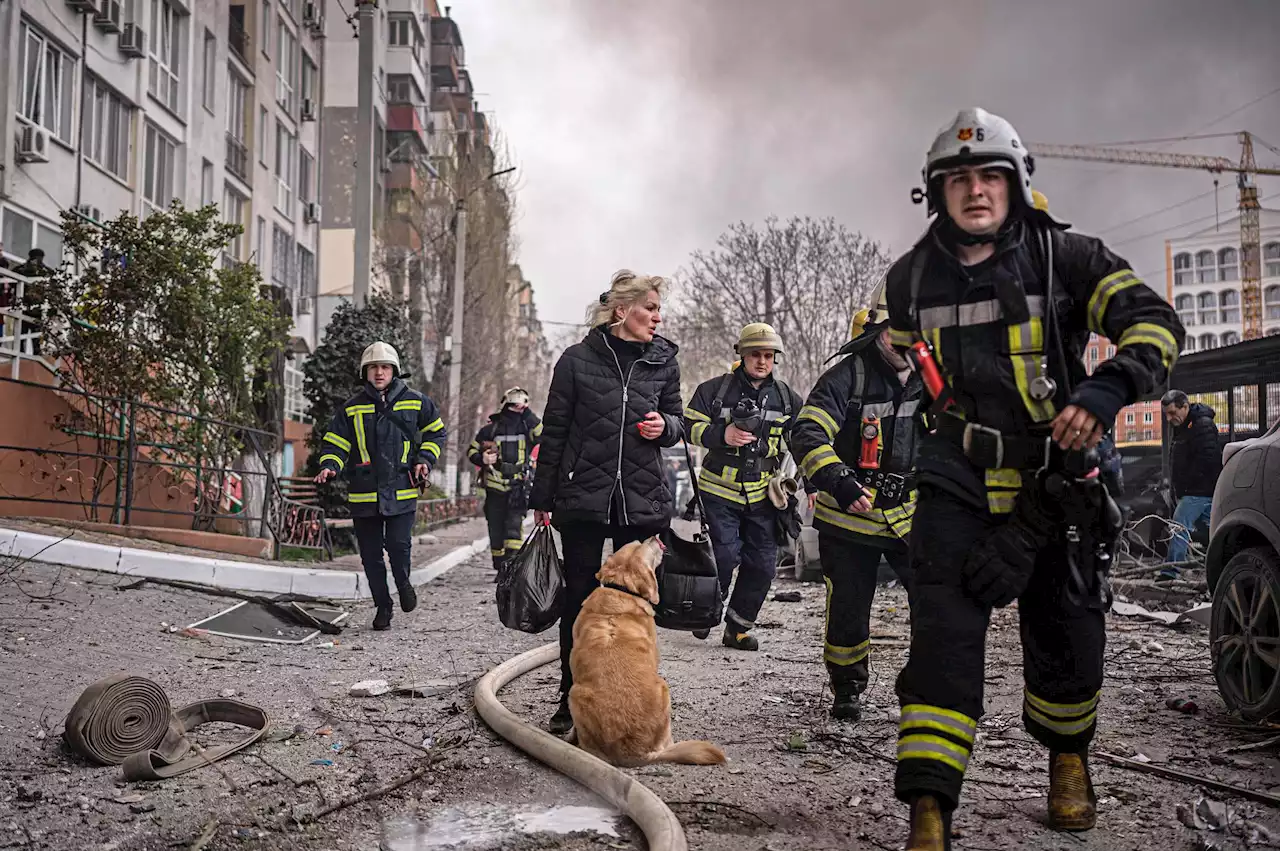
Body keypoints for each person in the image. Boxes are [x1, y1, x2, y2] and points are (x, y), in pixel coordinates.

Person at [882, 108, 1184, 847]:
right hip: (955, 476)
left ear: (1015, 183)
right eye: (958, 180)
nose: (975, 191)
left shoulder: (1070, 259)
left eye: (989, 175)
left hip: (1057, 480)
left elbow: (1155, 323)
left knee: (1068, 633)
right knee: (941, 643)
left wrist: (1106, 390)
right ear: (936, 193)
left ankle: (1069, 761)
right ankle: (929, 809)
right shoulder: (909, 278)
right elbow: (909, 362)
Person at [529, 269, 684, 734]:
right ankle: (571, 695)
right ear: (623, 311)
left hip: (639, 499)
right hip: (581, 496)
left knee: (637, 603)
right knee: (578, 600)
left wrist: (667, 429)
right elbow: (554, 431)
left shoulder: (664, 362)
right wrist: (543, 495)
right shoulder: (576, 360)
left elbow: (678, 419)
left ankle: (632, 690)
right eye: (649, 308)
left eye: (659, 310)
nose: (657, 318)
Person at [791, 283, 922, 721]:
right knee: (848, 608)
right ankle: (847, 688)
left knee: (938, 602)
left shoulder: (935, 376)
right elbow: (807, 432)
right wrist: (839, 481)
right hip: (849, 517)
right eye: (895, 331)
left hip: (910, 517)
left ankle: (923, 686)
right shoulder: (846, 376)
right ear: (877, 330)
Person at [683, 323, 805, 650]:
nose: (762, 362)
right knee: (723, 555)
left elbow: (805, 441)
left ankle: (737, 627)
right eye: (755, 355)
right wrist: (720, 436)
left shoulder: (787, 399)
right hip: (719, 490)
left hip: (765, 494)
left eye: (768, 356)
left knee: (763, 564)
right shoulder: (714, 391)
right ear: (742, 355)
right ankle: (708, 610)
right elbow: (688, 426)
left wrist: (816, 481)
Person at [314, 341, 448, 630]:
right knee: (371, 555)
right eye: (373, 367)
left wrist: (425, 459)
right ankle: (383, 606)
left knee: (399, 547)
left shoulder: (417, 402)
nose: (379, 372)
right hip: (364, 493)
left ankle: (403, 582)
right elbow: (336, 442)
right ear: (365, 371)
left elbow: (437, 433)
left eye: (384, 367)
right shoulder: (351, 408)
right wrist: (330, 465)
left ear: (394, 371)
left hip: (401, 489)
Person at [468, 387, 543, 572]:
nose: (516, 410)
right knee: (496, 529)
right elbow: (471, 450)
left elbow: (543, 435)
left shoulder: (528, 428)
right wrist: (482, 459)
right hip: (494, 487)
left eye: (520, 407)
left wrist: (528, 413)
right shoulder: (490, 429)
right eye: (514, 406)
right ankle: (499, 565)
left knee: (514, 527)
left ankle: (510, 567)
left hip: (518, 485)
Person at [1160, 389, 1221, 574]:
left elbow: (1208, 458)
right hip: (1195, 490)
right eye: (1166, 415)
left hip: (1198, 490)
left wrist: (1186, 485)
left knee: (1179, 524)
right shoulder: (1183, 426)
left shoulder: (1201, 424)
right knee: (1211, 529)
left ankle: (1171, 571)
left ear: (1184, 406)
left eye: (1172, 413)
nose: (1169, 419)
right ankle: (1223, 561)